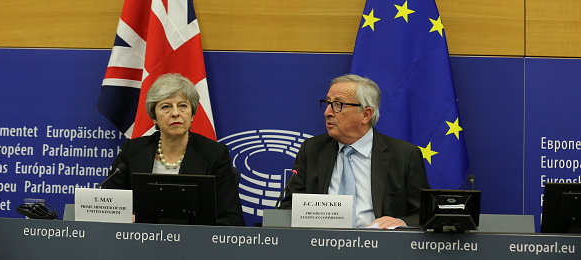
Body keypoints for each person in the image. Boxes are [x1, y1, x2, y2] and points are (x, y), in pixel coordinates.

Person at [279, 74, 429, 228]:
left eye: (338, 104)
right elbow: (288, 207)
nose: (327, 112)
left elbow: (424, 214)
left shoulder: (403, 155)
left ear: (366, 114)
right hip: (321, 244)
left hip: (381, 246)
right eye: (328, 103)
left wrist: (400, 222)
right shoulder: (312, 150)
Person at [102, 73, 244, 226]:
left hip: (193, 245)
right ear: (154, 116)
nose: (176, 113)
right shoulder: (133, 151)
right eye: (166, 107)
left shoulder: (214, 154)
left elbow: (232, 220)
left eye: (183, 106)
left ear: (192, 114)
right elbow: (108, 207)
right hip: (140, 242)